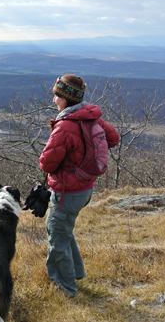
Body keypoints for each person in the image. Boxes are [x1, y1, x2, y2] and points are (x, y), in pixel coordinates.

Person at [39, 74, 119, 297]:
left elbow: (46, 163)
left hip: (68, 192)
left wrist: (72, 158)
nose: (54, 100)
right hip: (85, 189)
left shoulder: (66, 126)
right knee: (64, 230)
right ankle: (76, 273)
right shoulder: (90, 117)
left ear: (65, 98)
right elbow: (113, 138)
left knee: (57, 235)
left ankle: (65, 289)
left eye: (56, 95)